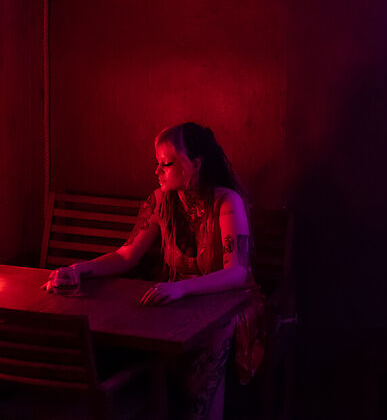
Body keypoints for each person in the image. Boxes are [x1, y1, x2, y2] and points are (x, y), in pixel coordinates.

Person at [44, 122, 264, 420]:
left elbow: (236, 272)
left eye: (166, 164)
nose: (157, 171)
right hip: (179, 301)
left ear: (195, 164)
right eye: (157, 163)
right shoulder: (160, 200)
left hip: (228, 303)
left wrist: (181, 288)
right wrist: (77, 269)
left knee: (215, 334)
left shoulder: (226, 201)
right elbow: (126, 255)